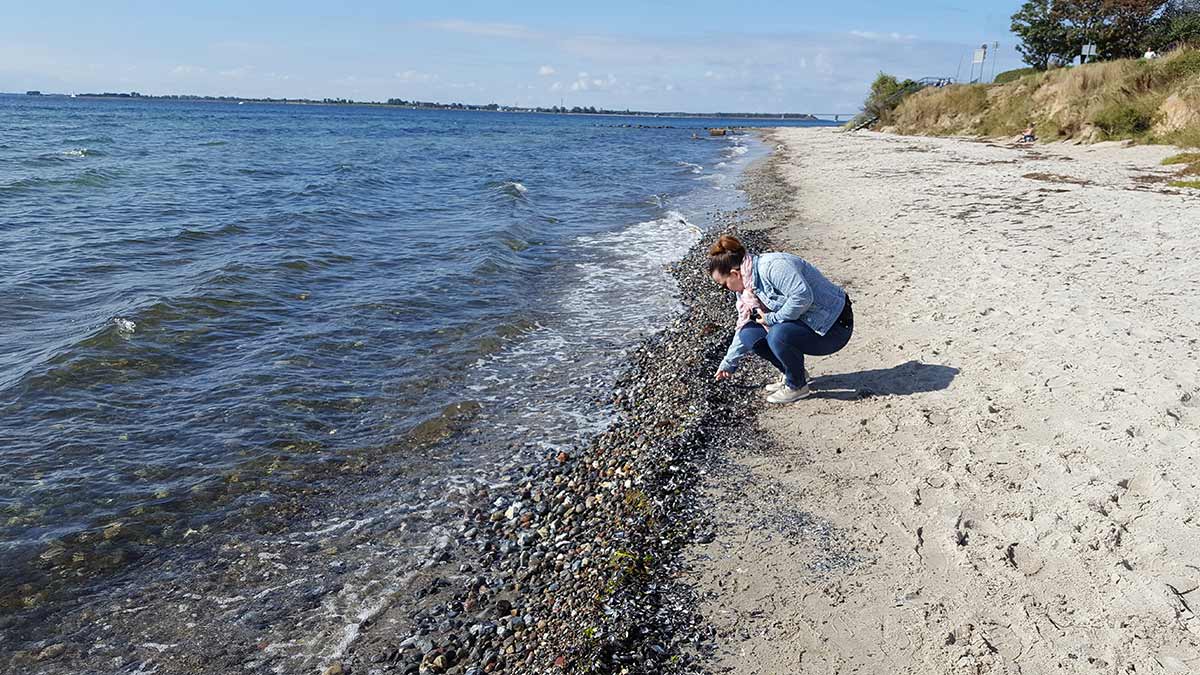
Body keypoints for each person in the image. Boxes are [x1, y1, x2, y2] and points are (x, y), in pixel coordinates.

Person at [709, 235, 854, 403]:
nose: (725, 289)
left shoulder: (773, 267)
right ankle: (793, 373)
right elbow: (743, 325)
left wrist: (772, 318)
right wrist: (728, 363)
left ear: (734, 274)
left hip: (833, 326)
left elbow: (802, 297)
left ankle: (797, 386)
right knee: (748, 334)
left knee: (777, 334)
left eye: (723, 285)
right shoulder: (746, 290)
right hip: (807, 323)